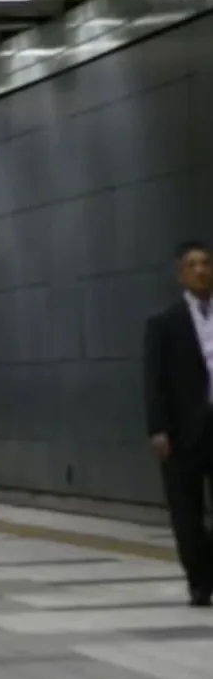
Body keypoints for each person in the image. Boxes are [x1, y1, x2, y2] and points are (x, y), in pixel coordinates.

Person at [144, 242, 213, 607]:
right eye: (192, 265)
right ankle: (199, 582)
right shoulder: (164, 323)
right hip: (182, 432)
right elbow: (153, 380)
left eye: (206, 263)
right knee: (187, 514)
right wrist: (157, 428)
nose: (200, 271)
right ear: (181, 275)